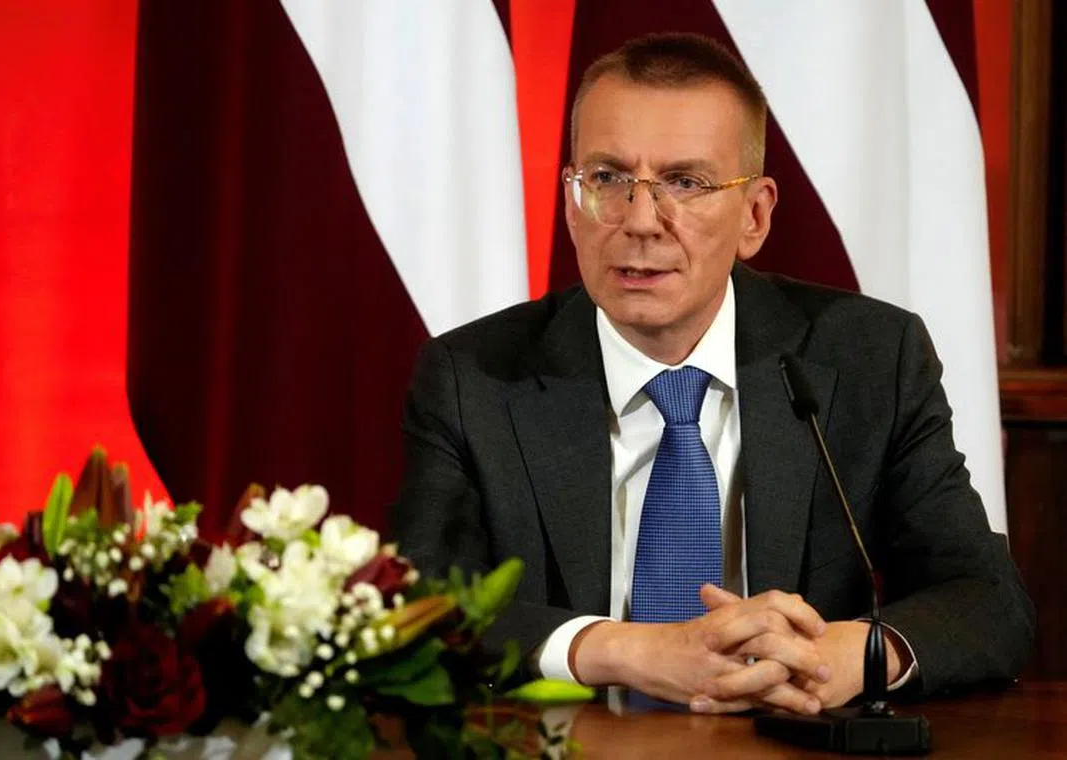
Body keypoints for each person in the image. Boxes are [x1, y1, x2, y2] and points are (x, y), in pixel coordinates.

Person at [393, 32, 1033, 715]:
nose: (641, 222)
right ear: (571, 202)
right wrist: (619, 649)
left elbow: (988, 602)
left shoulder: (870, 358)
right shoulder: (476, 378)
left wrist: (847, 655)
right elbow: (420, 608)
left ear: (754, 215)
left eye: (685, 182)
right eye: (606, 179)